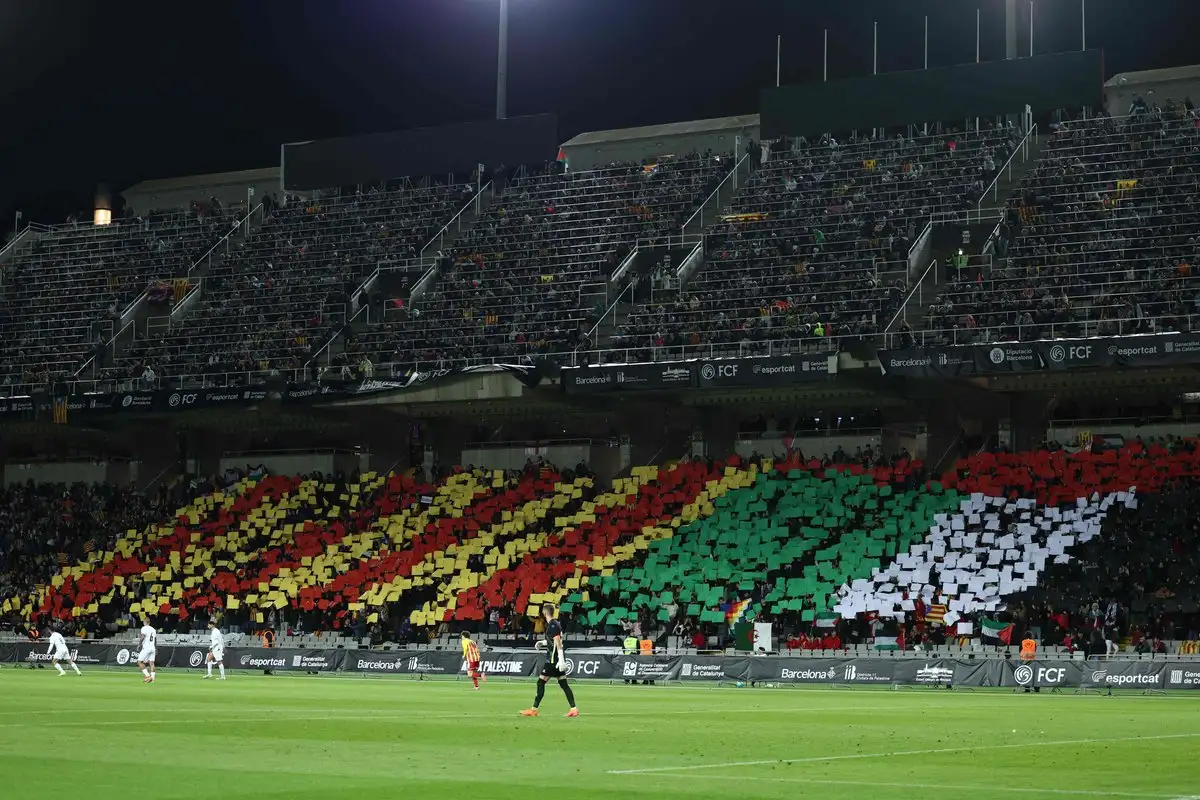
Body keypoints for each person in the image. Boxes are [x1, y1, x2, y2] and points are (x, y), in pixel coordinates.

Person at [520, 604, 579, 718]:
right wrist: (543, 642)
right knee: (564, 684)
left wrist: (561, 660)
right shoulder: (556, 623)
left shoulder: (552, 625)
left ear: (545, 613)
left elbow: (558, 641)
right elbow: (553, 640)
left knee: (541, 682)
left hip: (553, 660)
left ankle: (533, 709)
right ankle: (574, 709)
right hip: (557, 659)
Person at [137, 620, 157, 684]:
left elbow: (142, 637)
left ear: (144, 622)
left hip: (146, 647)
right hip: (152, 648)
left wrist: (139, 644)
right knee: (152, 664)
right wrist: (155, 648)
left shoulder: (144, 628)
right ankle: (152, 679)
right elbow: (155, 640)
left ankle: (148, 676)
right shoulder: (153, 629)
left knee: (139, 662)